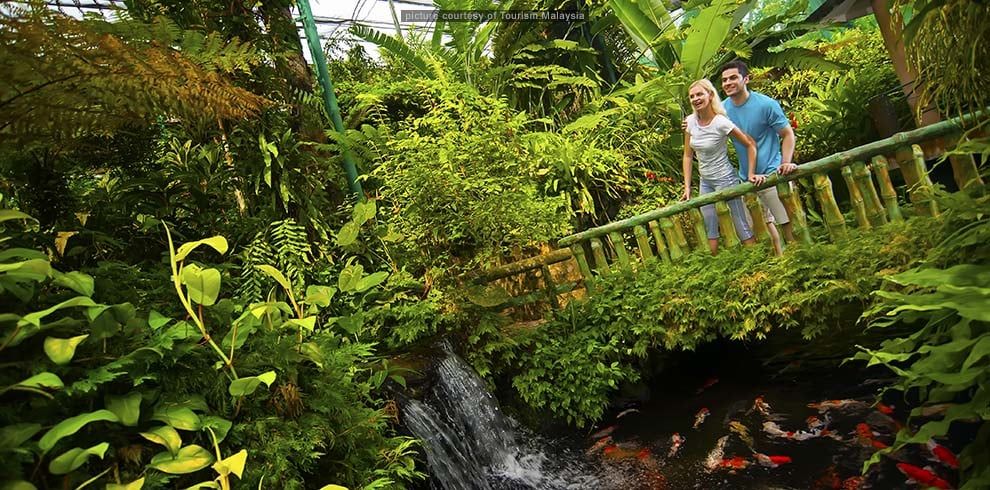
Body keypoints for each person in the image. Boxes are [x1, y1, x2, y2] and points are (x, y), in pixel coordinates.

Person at [720, 60, 798, 255]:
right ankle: (780, 262)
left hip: (772, 174)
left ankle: (799, 260)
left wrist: (786, 162)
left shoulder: (766, 105)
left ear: (746, 79)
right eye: (724, 80)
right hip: (747, 178)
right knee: (763, 224)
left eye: (733, 78)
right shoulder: (721, 111)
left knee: (786, 220)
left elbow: (787, 134)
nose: (728, 83)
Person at [682, 79, 761, 256]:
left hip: (726, 179)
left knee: (740, 223)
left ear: (710, 95)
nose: (695, 99)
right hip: (705, 181)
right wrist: (687, 187)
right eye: (692, 96)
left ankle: (759, 262)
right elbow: (688, 155)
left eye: (699, 94)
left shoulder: (721, 122)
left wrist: (750, 173)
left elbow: (750, 144)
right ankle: (715, 267)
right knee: (710, 224)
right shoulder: (690, 122)